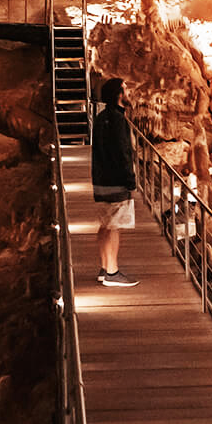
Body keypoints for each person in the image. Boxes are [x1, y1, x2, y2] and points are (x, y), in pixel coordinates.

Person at [91, 77, 139, 286]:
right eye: (126, 89)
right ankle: (112, 273)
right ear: (119, 94)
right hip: (115, 181)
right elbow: (122, 153)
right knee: (113, 227)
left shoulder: (102, 117)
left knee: (105, 225)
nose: (128, 92)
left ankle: (104, 267)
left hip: (101, 180)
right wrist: (130, 181)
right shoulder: (118, 120)